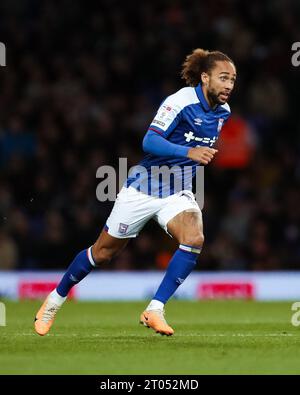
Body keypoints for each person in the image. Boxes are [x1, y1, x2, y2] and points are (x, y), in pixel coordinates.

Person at [34, 48, 236, 336]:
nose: (229, 85)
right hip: (143, 187)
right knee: (102, 253)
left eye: (233, 79)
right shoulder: (180, 101)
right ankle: (54, 301)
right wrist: (189, 151)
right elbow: (149, 141)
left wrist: (191, 159)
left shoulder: (223, 113)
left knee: (194, 237)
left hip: (177, 192)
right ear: (205, 77)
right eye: (223, 78)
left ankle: (155, 309)